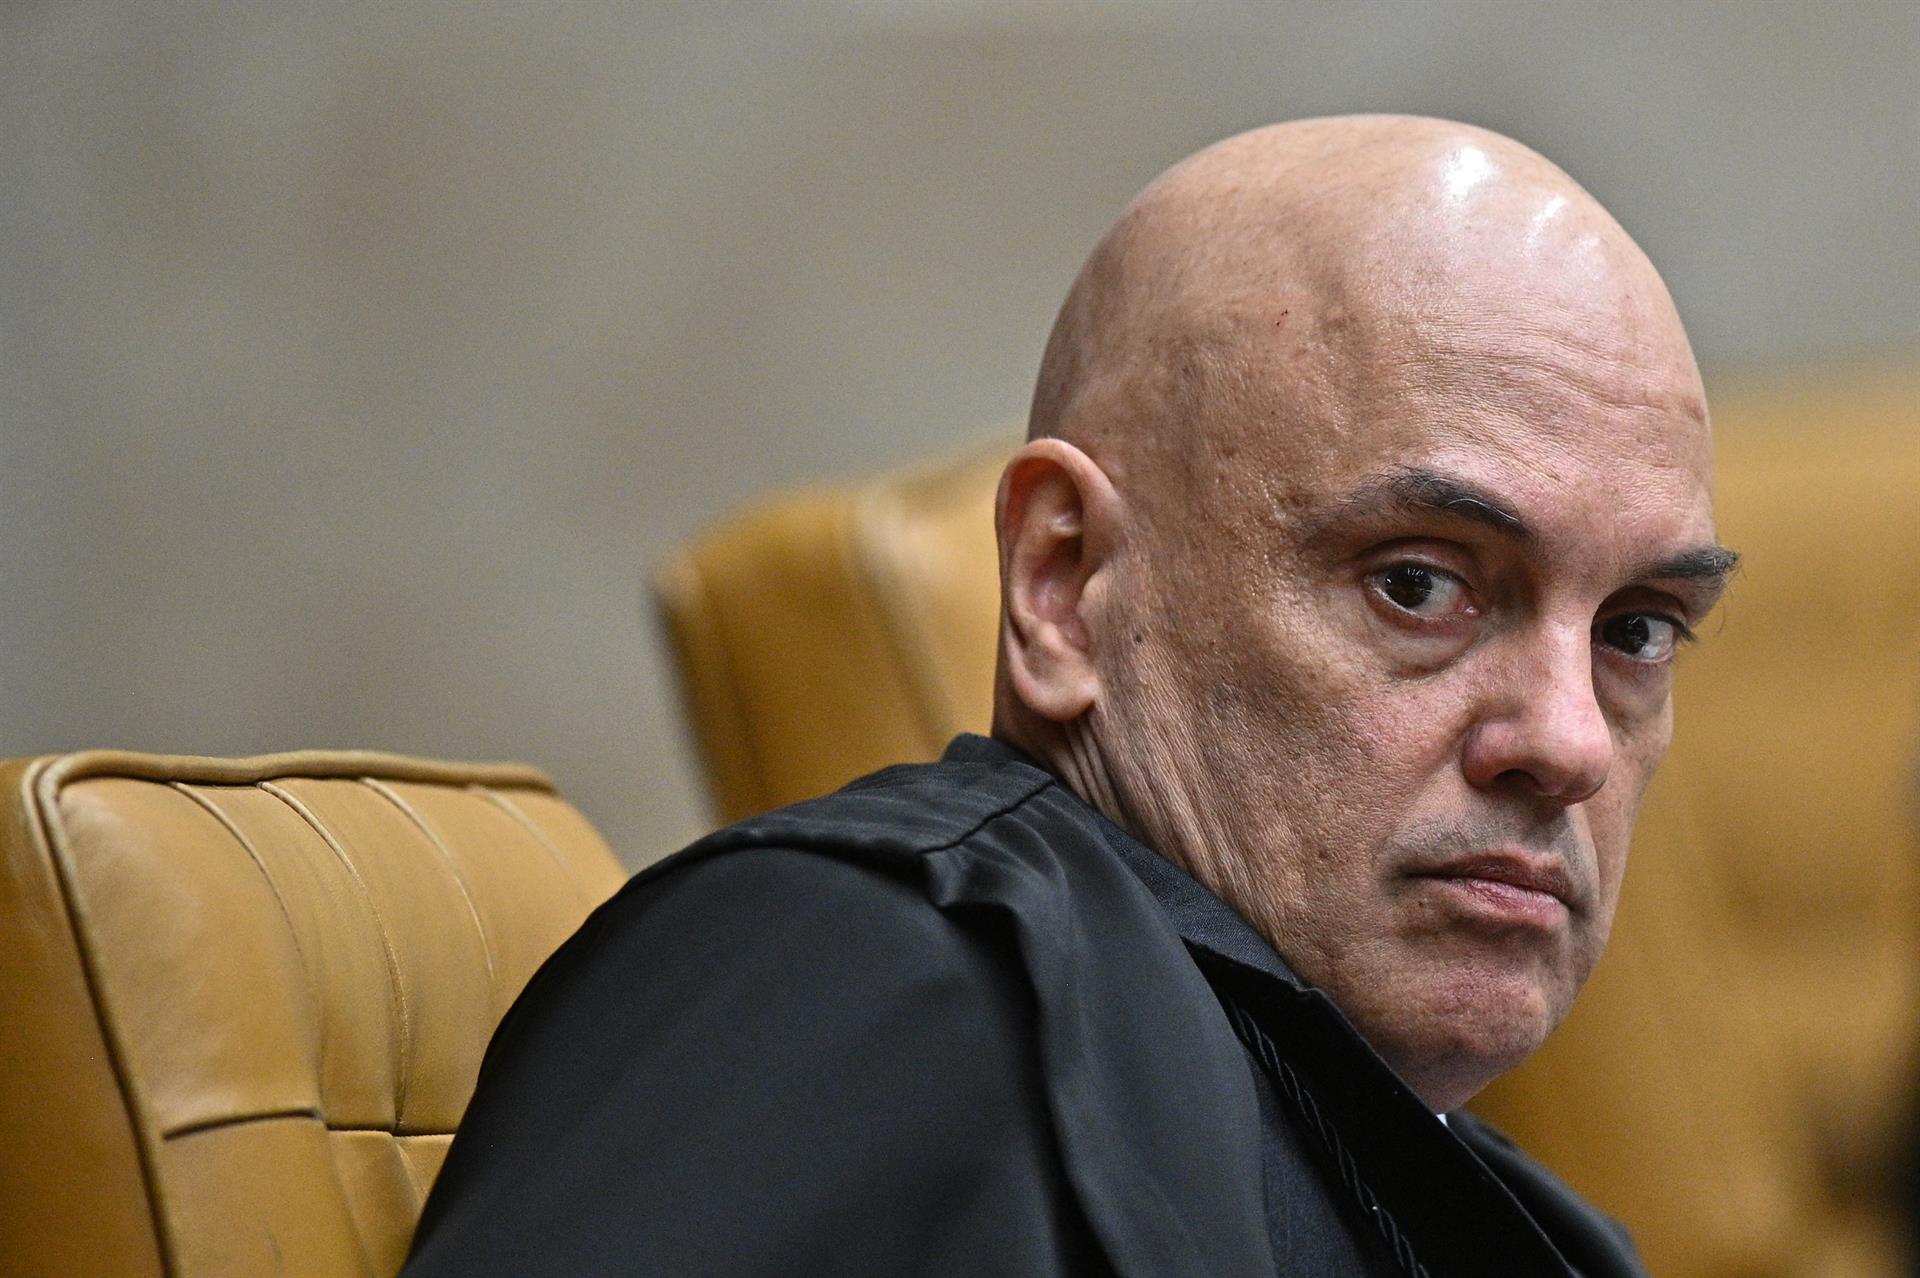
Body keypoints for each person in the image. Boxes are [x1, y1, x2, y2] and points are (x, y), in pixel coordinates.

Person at [404, 116, 1736, 1276]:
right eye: (1418, 585)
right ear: (1064, 581)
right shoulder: (871, 975)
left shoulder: (1514, 1218)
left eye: (1635, 629)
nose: (1567, 741)